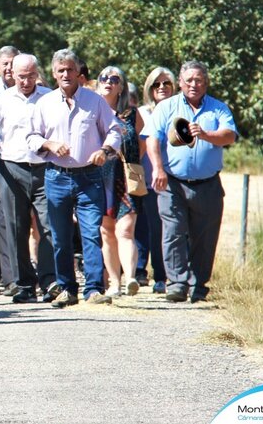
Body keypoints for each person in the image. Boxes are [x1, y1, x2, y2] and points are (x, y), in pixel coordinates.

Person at [27, 49, 122, 308]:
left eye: (70, 69)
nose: (66, 74)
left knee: (91, 233)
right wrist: (49, 144)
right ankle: (67, 288)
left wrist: (104, 151)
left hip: (89, 177)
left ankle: (93, 289)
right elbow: (32, 137)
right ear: (54, 74)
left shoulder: (95, 101)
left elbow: (115, 131)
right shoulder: (44, 103)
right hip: (56, 177)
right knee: (60, 236)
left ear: (78, 72)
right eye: (61, 71)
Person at [145, 60, 237, 303]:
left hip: (208, 184)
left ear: (205, 83)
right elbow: (153, 139)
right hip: (172, 182)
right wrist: (157, 169)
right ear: (180, 83)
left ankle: (198, 285)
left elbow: (229, 136)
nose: (194, 84)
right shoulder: (167, 107)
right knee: (173, 231)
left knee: (204, 237)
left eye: (199, 80)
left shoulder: (218, 109)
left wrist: (205, 134)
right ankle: (176, 283)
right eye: (189, 80)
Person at [0, 54, 58, 303]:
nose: (26, 81)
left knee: (48, 227)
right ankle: (23, 283)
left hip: (45, 167)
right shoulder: (1, 100)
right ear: (12, 74)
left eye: (31, 75)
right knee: (16, 228)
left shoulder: (49, 97)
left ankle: (49, 281)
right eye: (21, 76)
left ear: (38, 73)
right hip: (11, 168)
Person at [96, 66, 145, 297]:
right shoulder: (91, 110)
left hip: (124, 178)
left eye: (114, 79)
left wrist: (134, 165)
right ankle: (114, 284)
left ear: (121, 86)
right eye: (104, 78)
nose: (108, 82)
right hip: (98, 177)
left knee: (125, 230)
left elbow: (140, 142)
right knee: (106, 232)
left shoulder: (132, 113)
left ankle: (131, 278)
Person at [137, 66, 176, 293]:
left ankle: (178, 275)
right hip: (151, 179)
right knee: (155, 228)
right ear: (150, 89)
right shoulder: (143, 113)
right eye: (156, 84)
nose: (161, 88)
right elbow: (140, 148)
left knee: (177, 229)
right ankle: (160, 276)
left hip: (178, 178)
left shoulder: (181, 110)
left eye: (166, 84)